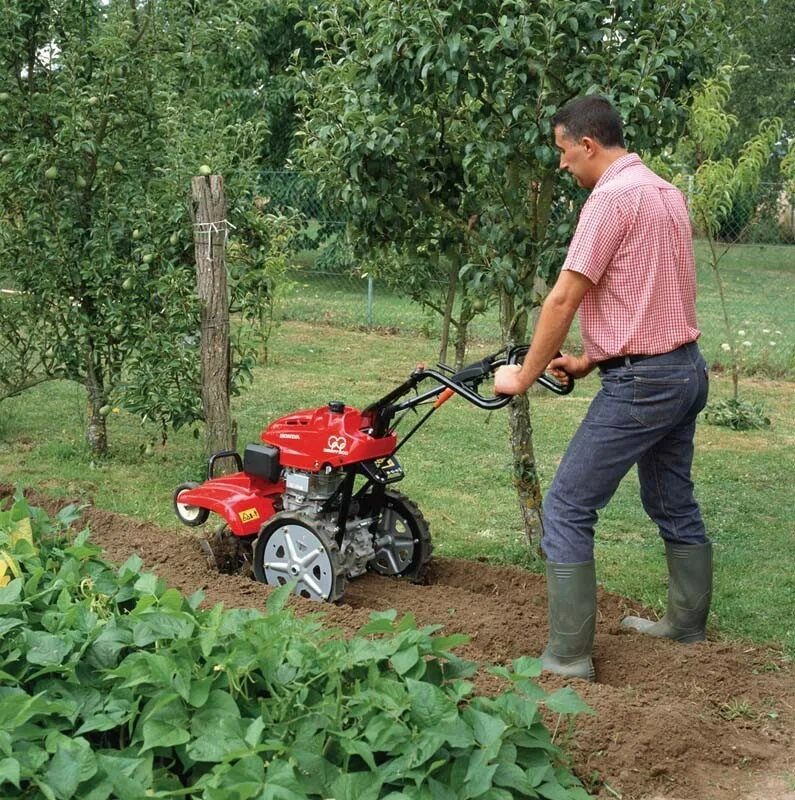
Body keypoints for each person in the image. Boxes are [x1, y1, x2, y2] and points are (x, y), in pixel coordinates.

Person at [493, 96, 711, 682]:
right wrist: (592, 357)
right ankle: (687, 626)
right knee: (671, 499)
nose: (563, 165)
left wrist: (524, 376)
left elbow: (564, 297)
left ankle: (566, 658)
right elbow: (654, 292)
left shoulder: (610, 198)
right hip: (684, 370)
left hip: (644, 383)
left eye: (564, 153)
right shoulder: (666, 193)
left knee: (566, 506)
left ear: (588, 145)